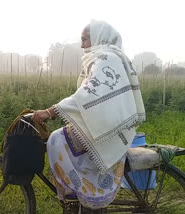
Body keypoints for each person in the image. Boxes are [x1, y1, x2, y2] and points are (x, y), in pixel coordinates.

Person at [33, 20, 145, 210]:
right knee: (69, 138)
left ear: (99, 37)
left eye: (85, 39)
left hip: (108, 127)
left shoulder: (105, 58)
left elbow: (87, 95)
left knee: (56, 139)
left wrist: (50, 111)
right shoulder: (113, 56)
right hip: (112, 125)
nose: (82, 45)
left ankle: (78, 192)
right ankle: (82, 191)